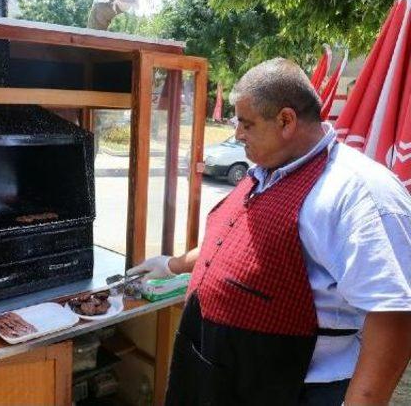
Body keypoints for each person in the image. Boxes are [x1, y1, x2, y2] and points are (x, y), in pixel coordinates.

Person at [128, 58, 411, 406]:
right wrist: (172, 265)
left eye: (246, 124)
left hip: (296, 388)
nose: (237, 135)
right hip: (224, 372)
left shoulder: (359, 193)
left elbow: (394, 315)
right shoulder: (267, 168)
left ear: (286, 120)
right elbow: (240, 245)